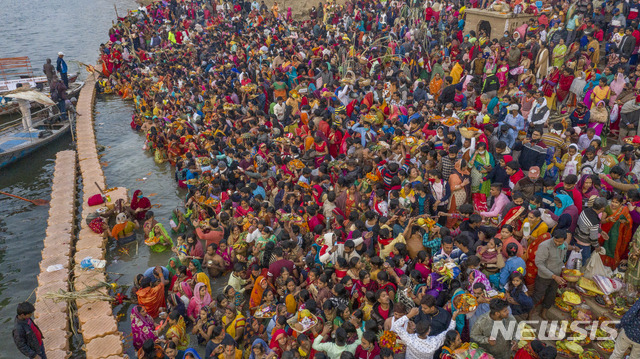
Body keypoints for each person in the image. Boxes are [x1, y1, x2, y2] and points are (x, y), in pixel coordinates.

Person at [392, 306, 465, 359]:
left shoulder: (409, 339)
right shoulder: (434, 342)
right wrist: (454, 317)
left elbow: (396, 325)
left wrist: (409, 315)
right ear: (428, 332)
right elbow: (449, 330)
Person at [531, 230, 568, 320]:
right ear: (553, 238)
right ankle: (530, 313)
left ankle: (543, 313)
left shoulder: (565, 245)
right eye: (556, 241)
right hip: (544, 276)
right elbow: (539, 263)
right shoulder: (545, 246)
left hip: (556, 276)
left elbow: (561, 259)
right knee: (538, 295)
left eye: (560, 241)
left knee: (551, 295)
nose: (558, 243)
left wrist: (563, 267)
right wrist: (553, 276)